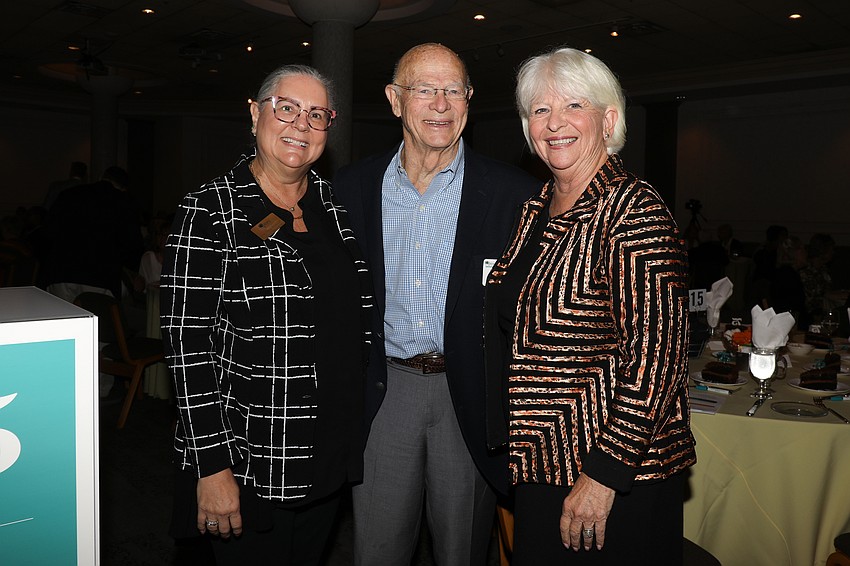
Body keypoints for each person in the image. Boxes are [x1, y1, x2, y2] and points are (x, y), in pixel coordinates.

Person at [484, 47, 696, 564]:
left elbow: (658, 357)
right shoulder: (536, 209)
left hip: (610, 476)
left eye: (573, 106)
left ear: (609, 119)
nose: (555, 123)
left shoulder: (632, 208)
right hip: (541, 463)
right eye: (539, 110)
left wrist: (604, 474)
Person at [333, 43, 539, 565]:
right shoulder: (351, 190)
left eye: (453, 90)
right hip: (385, 391)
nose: (440, 103)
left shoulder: (516, 194)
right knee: (377, 548)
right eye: (425, 89)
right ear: (395, 100)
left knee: (462, 550)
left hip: (470, 392)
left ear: (469, 100)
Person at [160, 64, 372, 565]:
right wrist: (212, 469)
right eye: (286, 108)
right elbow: (188, 349)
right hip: (250, 462)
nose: (301, 124)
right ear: (255, 114)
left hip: (325, 456)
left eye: (316, 114)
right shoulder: (209, 210)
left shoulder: (333, 207)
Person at [43, 165, 144, 302]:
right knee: (98, 321)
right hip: (100, 277)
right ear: (124, 188)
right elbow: (132, 247)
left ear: (101, 177)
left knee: (63, 321)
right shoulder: (124, 202)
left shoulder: (68, 194)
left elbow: (48, 232)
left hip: (61, 274)